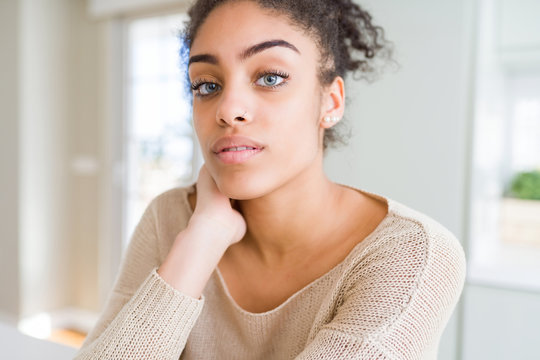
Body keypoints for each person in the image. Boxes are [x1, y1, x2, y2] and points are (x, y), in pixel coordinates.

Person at [75, 0, 466, 359]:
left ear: (330, 102)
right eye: (207, 85)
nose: (228, 110)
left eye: (271, 78)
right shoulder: (170, 219)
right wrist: (201, 240)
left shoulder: (411, 254)